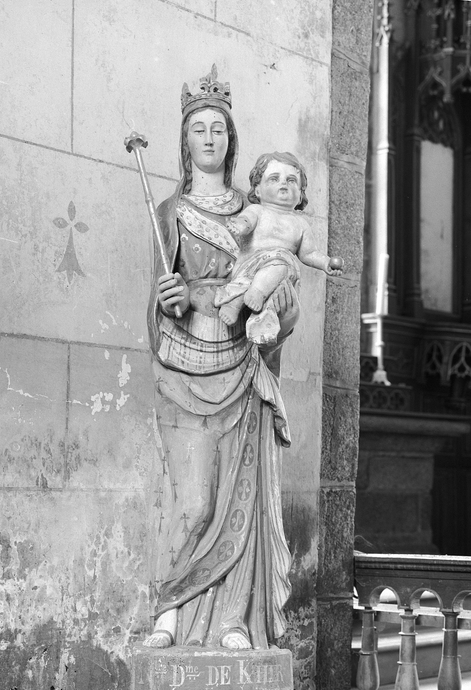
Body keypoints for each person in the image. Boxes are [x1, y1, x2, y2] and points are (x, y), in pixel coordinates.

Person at [144, 66, 300, 651]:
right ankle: (170, 609)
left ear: (230, 140)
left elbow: (279, 292)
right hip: (185, 367)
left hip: (242, 364)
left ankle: (234, 618)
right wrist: (167, 300)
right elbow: (156, 299)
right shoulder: (169, 211)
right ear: (185, 141)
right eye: (198, 129)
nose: (209, 138)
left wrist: (276, 310)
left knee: (241, 496)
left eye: (218, 129)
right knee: (195, 503)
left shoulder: (252, 210)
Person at [214, 151, 343, 345]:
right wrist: (240, 226)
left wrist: (325, 263)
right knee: (278, 263)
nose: (284, 184)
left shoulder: (300, 224)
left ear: (300, 194)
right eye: (274, 178)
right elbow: (247, 221)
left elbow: (309, 253)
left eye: (291, 180)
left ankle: (256, 313)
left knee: (282, 266)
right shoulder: (258, 210)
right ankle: (235, 303)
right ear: (258, 190)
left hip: (278, 275)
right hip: (250, 267)